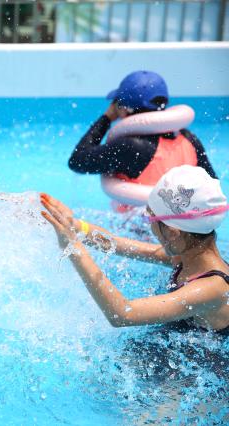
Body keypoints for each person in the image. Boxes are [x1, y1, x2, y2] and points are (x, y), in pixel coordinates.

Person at [41, 165, 229, 333]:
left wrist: (73, 248)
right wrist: (73, 225)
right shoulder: (188, 255)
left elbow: (122, 314)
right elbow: (113, 243)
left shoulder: (211, 287)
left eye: (150, 219)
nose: (149, 226)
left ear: (173, 232)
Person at [68, 71, 216, 209]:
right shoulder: (189, 139)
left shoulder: (129, 147)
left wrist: (106, 118)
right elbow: (212, 185)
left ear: (124, 108)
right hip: (183, 226)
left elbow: (77, 161)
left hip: (138, 227)